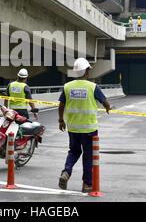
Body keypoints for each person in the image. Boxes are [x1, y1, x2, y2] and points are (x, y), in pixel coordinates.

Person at [57, 58, 111, 193]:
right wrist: (108, 107)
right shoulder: (92, 87)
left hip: (73, 128)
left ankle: (66, 172)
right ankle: (87, 184)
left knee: (74, 151)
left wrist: (61, 120)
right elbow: (105, 102)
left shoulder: (67, 86)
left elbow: (61, 105)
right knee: (88, 156)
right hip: (89, 129)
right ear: (86, 71)